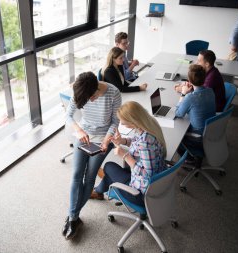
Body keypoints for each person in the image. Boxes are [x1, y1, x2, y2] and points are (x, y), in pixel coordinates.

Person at [62, 71, 122, 240]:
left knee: (89, 177)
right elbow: (68, 115)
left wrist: (106, 141)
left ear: (97, 88)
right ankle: (74, 218)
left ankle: (72, 218)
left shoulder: (113, 93)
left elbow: (115, 122)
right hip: (85, 134)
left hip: (104, 137)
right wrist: (78, 129)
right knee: (76, 175)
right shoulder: (81, 91)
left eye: (92, 97)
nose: (90, 101)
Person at [90, 101, 167, 206]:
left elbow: (148, 174)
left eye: (124, 123)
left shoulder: (145, 141)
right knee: (111, 172)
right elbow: (137, 142)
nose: (121, 124)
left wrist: (125, 156)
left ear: (133, 121)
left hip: (142, 193)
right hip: (159, 179)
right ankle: (99, 191)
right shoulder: (148, 124)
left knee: (108, 167)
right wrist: (123, 141)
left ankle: (99, 190)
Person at [175, 64, 216, 156]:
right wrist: (191, 91)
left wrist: (183, 93)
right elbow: (199, 97)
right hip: (210, 132)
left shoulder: (190, 97)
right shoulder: (210, 91)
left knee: (176, 138)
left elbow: (178, 114)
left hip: (198, 138)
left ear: (189, 81)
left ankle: (190, 160)